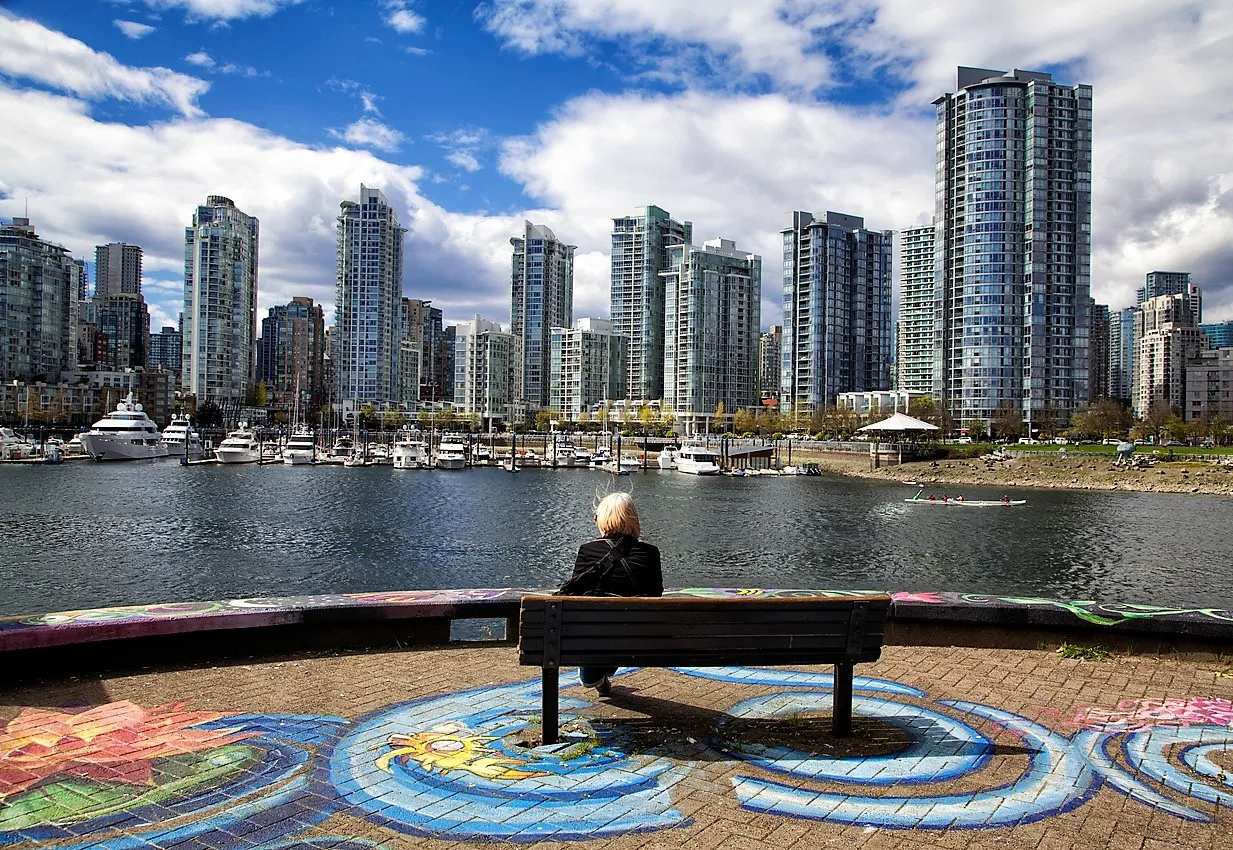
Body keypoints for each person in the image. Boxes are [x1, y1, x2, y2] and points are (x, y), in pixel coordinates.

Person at [558, 492, 663, 696]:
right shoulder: (650, 553)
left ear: (603, 519)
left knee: (589, 673)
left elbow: (576, 596)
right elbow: (655, 594)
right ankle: (605, 668)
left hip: (596, 635)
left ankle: (597, 676)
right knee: (616, 632)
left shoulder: (587, 551)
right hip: (638, 639)